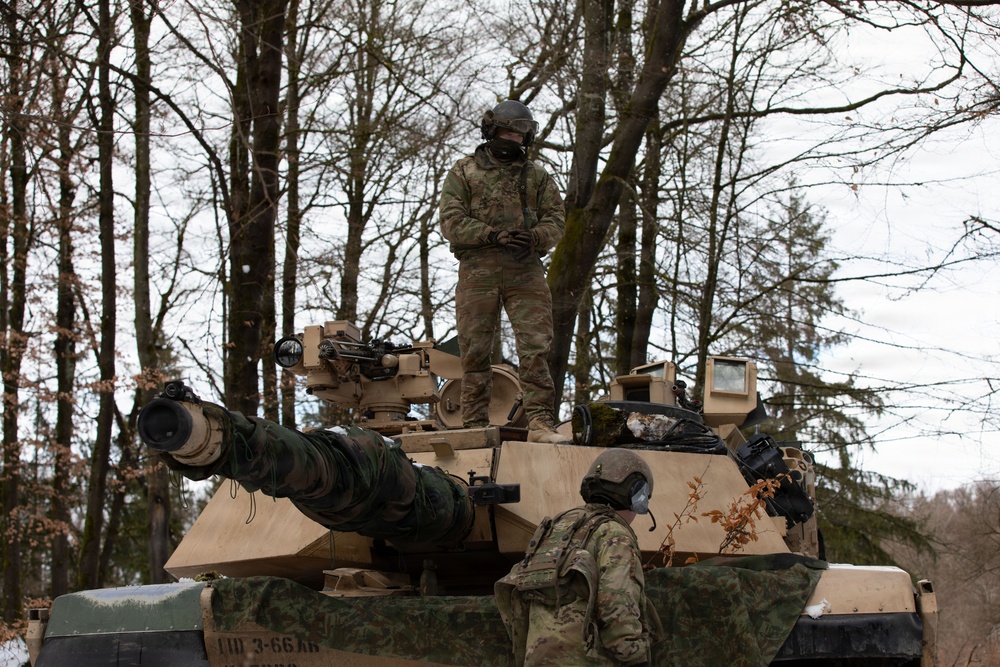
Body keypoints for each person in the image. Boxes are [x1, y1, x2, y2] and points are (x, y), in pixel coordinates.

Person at [439, 99, 570, 444]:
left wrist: (535, 237)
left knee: (535, 346)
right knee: (474, 349)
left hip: (525, 269)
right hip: (477, 270)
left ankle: (540, 423)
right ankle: (473, 425)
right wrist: (490, 234)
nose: (512, 139)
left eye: (519, 135)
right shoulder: (464, 171)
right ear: (491, 131)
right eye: (507, 132)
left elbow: (556, 219)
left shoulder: (537, 176)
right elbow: (451, 221)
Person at [495, 448, 656, 666]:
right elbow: (617, 607)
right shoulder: (614, 534)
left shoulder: (558, 527)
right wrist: (636, 658)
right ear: (636, 496)